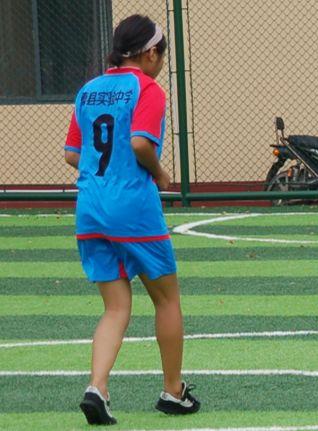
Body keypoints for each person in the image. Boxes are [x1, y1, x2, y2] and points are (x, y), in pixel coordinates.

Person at [64, 15, 200, 425]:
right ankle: (173, 391)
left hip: (90, 210)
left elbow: (72, 154)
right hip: (133, 210)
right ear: (150, 53)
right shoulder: (148, 89)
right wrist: (160, 173)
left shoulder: (89, 90)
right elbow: (141, 143)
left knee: (115, 307)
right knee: (166, 299)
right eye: (161, 54)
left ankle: (98, 387)